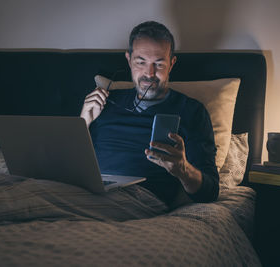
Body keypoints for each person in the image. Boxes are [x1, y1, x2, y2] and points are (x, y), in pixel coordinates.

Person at [80, 21, 219, 207]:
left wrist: (182, 170)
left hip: (140, 199)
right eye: (141, 62)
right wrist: (83, 122)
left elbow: (210, 193)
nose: (149, 73)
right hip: (90, 190)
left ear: (171, 63)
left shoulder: (192, 111)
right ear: (129, 60)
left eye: (159, 64)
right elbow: (66, 165)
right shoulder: (103, 103)